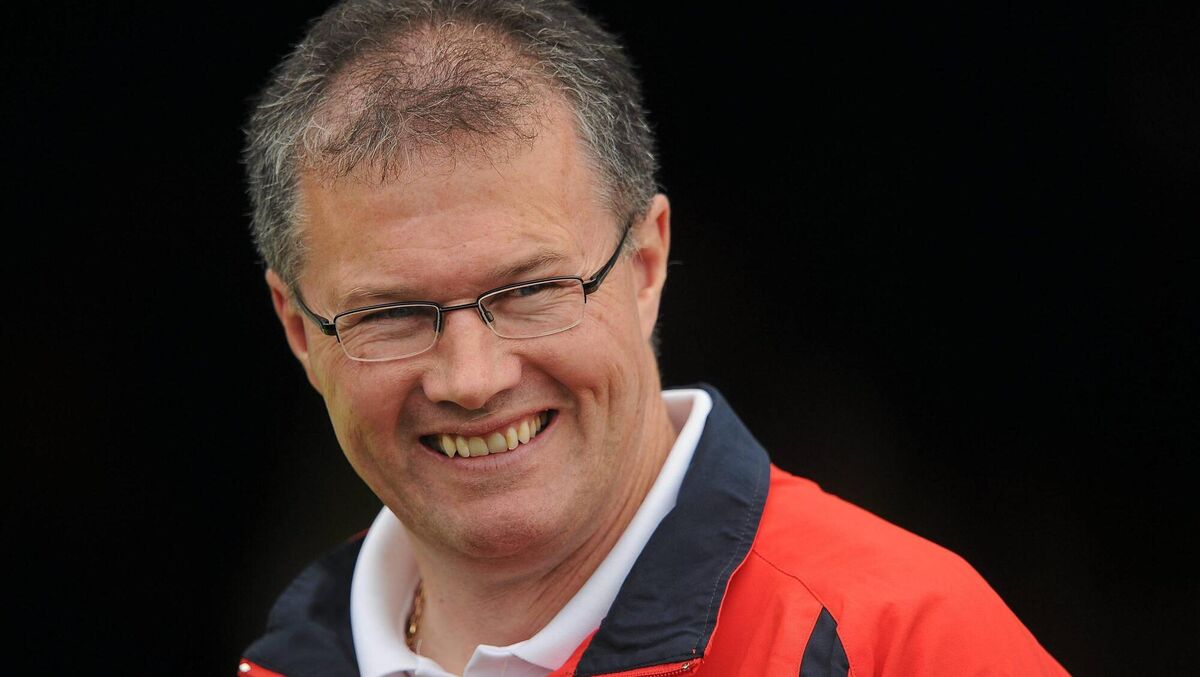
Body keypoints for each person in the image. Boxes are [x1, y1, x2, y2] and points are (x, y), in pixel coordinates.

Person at [238, 1, 1069, 675]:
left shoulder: (902, 642)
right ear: (296, 328)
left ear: (646, 263)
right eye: (391, 314)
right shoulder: (287, 661)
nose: (471, 377)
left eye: (531, 291)